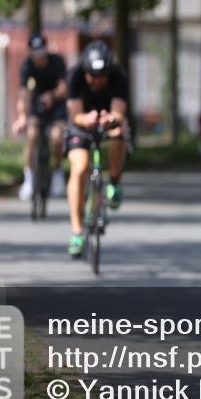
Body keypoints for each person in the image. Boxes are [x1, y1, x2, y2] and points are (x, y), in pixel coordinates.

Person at [64, 41, 129, 257]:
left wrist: (110, 119)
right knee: (80, 167)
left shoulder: (119, 77)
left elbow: (119, 113)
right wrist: (87, 118)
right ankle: (76, 231)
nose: (97, 81)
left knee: (119, 134)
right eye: (93, 76)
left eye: (102, 76)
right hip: (81, 123)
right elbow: (75, 115)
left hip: (107, 120)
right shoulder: (74, 75)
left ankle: (115, 182)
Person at [13, 34, 68, 200]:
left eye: (42, 53)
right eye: (36, 54)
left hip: (56, 104)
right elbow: (24, 93)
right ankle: (29, 179)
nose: (39, 58)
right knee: (32, 135)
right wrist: (22, 116)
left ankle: (58, 173)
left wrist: (51, 96)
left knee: (57, 137)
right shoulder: (27, 66)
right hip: (37, 105)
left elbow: (64, 87)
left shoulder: (57, 61)